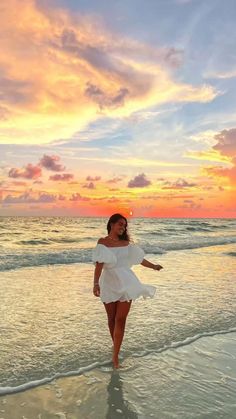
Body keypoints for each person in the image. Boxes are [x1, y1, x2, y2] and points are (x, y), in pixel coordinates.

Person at [92, 213, 163, 368]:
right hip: (109, 282)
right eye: (120, 224)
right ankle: (115, 346)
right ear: (111, 224)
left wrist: (154, 266)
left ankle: (115, 356)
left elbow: (139, 260)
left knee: (120, 319)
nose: (123, 227)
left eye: (124, 225)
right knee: (111, 318)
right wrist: (95, 284)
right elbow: (99, 265)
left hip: (127, 282)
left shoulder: (126, 243)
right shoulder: (102, 243)